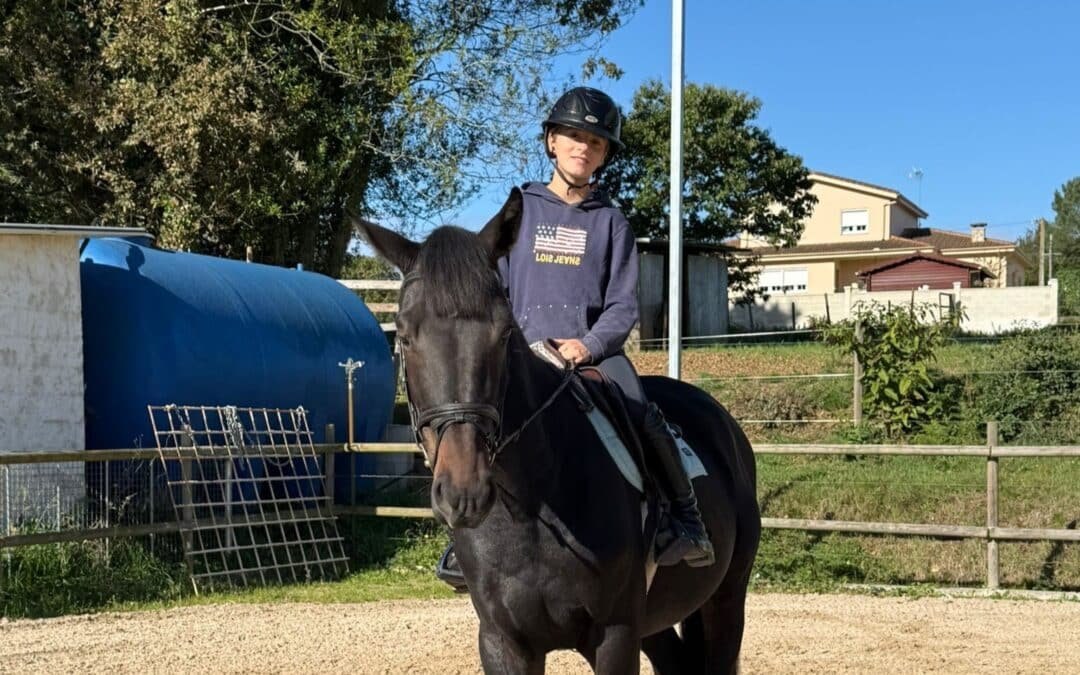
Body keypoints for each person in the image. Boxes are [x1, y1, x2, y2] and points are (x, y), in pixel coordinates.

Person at [436, 86, 714, 591]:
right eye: (573, 136)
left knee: (640, 409)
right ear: (550, 141)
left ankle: (683, 519)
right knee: (475, 422)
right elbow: (488, 290)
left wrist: (585, 345)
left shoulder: (612, 222)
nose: (583, 147)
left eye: (596, 142)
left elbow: (623, 305)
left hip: (591, 354)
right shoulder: (518, 212)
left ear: (604, 155)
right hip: (524, 356)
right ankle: (463, 538)